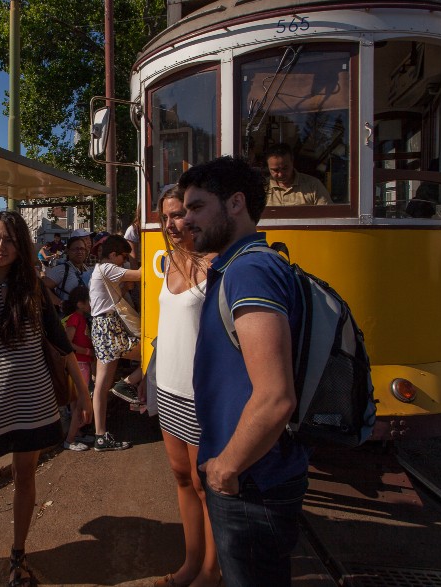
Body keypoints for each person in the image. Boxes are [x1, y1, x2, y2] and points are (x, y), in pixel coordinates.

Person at [178, 158, 309, 587]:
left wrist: (225, 469)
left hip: (252, 482)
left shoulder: (250, 271)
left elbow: (275, 397)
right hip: (250, 476)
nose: (185, 220)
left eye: (196, 207)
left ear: (235, 203)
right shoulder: (237, 266)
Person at [0, 211, 92, 587]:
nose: (0, 247)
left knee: (25, 475)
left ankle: (17, 556)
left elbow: (60, 343)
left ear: (21, 246)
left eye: (9, 240)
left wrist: (82, 396)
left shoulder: (32, 288)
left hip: (32, 398)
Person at [153, 185, 222, 587]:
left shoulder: (216, 265)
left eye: (178, 214)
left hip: (201, 394)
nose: (171, 224)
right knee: (182, 477)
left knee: (204, 485)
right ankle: (190, 562)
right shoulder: (167, 263)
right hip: (169, 389)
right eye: (165, 218)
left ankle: (211, 571)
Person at [88, 234, 142, 451]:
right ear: (113, 255)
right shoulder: (108, 268)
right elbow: (141, 274)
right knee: (154, 353)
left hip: (101, 327)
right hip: (109, 327)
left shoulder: (99, 271)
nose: (124, 261)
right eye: (123, 257)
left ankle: (100, 435)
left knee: (101, 385)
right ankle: (127, 383)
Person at [61, 286, 95, 451]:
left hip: (81, 364)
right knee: (80, 403)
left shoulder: (79, 318)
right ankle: (70, 439)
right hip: (79, 365)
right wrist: (88, 351)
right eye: (89, 301)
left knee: (76, 404)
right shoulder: (75, 318)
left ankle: (77, 433)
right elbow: (69, 343)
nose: (92, 304)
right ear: (80, 304)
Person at [264, 143, 331, 206]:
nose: (280, 174)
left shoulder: (313, 185)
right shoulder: (261, 187)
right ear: (268, 167)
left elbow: (328, 214)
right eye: (275, 170)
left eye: (285, 168)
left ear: (292, 162)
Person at [42, 235, 91, 310]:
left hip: (87, 318)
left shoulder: (89, 271)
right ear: (68, 251)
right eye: (75, 249)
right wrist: (60, 303)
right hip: (68, 318)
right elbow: (41, 287)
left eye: (82, 249)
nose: (79, 252)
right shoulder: (61, 270)